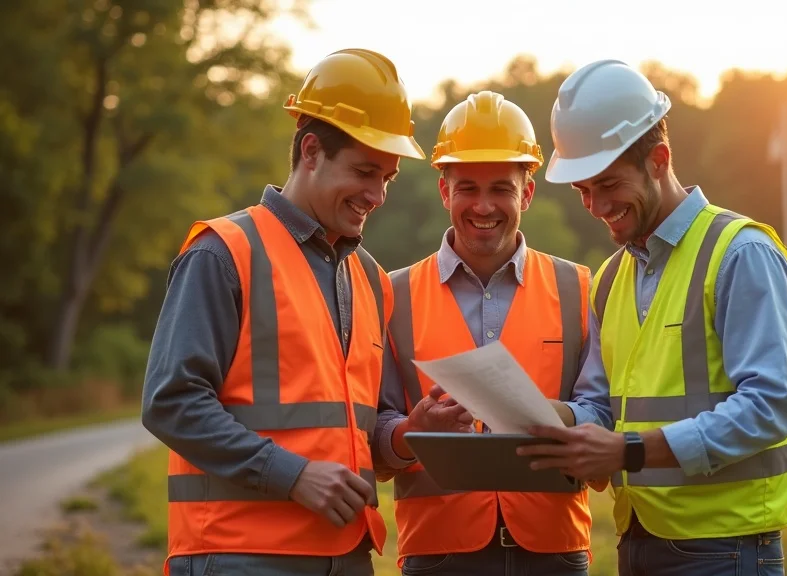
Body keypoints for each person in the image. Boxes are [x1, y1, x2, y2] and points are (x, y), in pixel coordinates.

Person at [140, 48, 426, 576]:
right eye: (365, 172)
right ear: (311, 151)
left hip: (347, 556)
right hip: (239, 556)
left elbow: (351, 433)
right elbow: (171, 402)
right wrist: (291, 475)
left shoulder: (370, 278)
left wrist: (407, 434)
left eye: (388, 178)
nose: (377, 195)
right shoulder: (223, 253)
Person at [517, 59, 787, 576]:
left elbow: (768, 407)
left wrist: (628, 452)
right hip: (639, 543)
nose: (595, 206)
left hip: (728, 550)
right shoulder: (610, 279)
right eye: (583, 191)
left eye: (608, 184)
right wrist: (543, 417)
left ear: (659, 160)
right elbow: (602, 408)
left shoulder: (740, 254)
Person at [372, 90, 614, 575]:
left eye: (501, 188)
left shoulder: (579, 289)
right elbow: (375, 436)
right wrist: (411, 431)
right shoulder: (391, 295)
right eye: (467, 188)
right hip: (438, 555)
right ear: (445, 192)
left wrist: (554, 419)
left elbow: (603, 414)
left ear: (527, 193)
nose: (484, 206)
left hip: (554, 552)